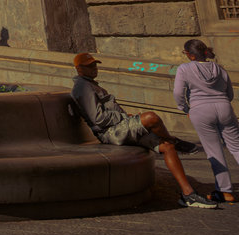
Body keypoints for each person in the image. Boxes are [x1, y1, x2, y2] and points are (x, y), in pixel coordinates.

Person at [72, 52, 214, 208]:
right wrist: (124, 118)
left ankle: (188, 194)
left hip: (119, 128)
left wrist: (126, 117)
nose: (94, 68)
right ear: (79, 69)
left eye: (95, 64)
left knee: (167, 147)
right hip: (111, 133)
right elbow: (98, 119)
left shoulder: (90, 84)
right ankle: (175, 140)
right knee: (151, 118)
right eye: (89, 66)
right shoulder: (82, 87)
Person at [174, 38, 239, 204]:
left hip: (200, 109)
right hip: (224, 107)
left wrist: (185, 109)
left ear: (190, 55)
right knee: (237, 146)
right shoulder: (219, 68)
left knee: (214, 151)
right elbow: (230, 93)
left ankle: (225, 191)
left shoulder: (184, 68)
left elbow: (178, 93)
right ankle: (224, 192)